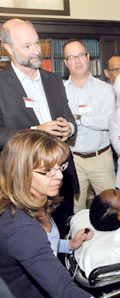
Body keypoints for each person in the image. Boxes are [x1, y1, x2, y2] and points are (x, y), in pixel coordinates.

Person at [0, 19, 79, 237]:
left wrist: (69, 128)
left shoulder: (54, 80)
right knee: (30, 242)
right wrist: (36, 130)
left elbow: (70, 118)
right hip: (23, 182)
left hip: (61, 175)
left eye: (37, 43)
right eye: (27, 47)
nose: (36, 51)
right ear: (8, 49)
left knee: (62, 233)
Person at [0, 129, 98, 298]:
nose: (60, 176)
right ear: (21, 172)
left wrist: (69, 245)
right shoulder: (20, 228)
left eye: (60, 166)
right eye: (48, 171)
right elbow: (66, 292)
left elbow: (41, 245)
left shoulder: (37, 198)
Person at [63, 38, 116, 214]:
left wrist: (77, 118)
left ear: (88, 57)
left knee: (110, 208)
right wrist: (93, 119)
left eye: (80, 55)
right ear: (65, 62)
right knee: (75, 210)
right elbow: (61, 123)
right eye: (71, 57)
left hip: (101, 158)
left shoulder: (105, 89)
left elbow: (109, 121)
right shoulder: (60, 91)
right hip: (72, 160)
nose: (77, 61)